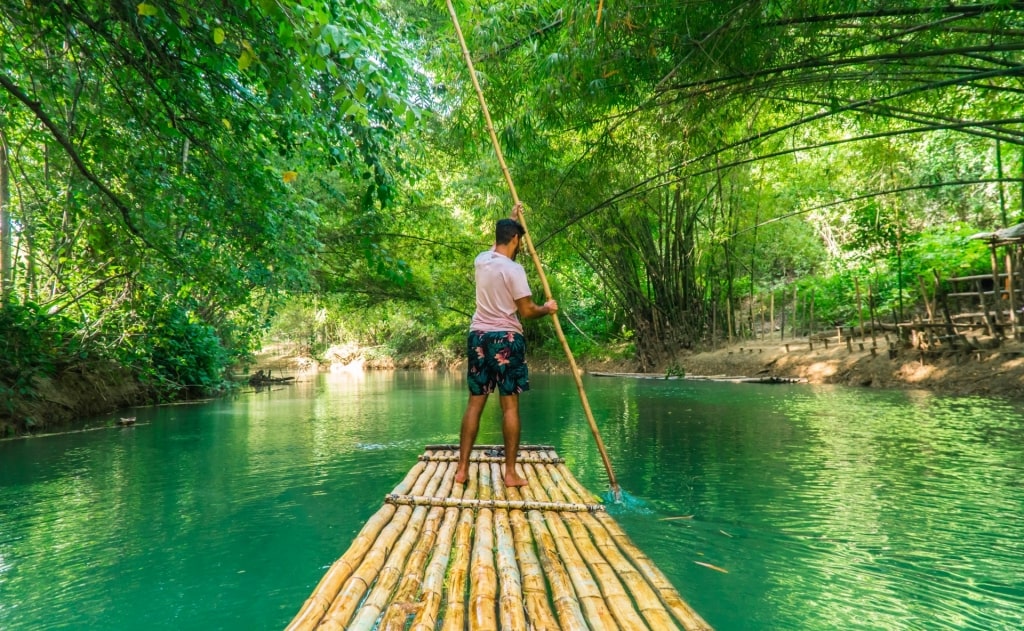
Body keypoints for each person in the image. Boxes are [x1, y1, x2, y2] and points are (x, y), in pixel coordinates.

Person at [454, 205, 558, 487]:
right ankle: (510, 473)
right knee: (509, 407)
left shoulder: (481, 260)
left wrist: (512, 220)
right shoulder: (514, 270)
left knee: (475, 404)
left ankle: (461, 469)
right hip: (506, 339)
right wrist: (547, 308)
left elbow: (495, 247)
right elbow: (526, 310)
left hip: (478, 337)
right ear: (515, 240)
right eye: (519, 240)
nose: (520, 245)